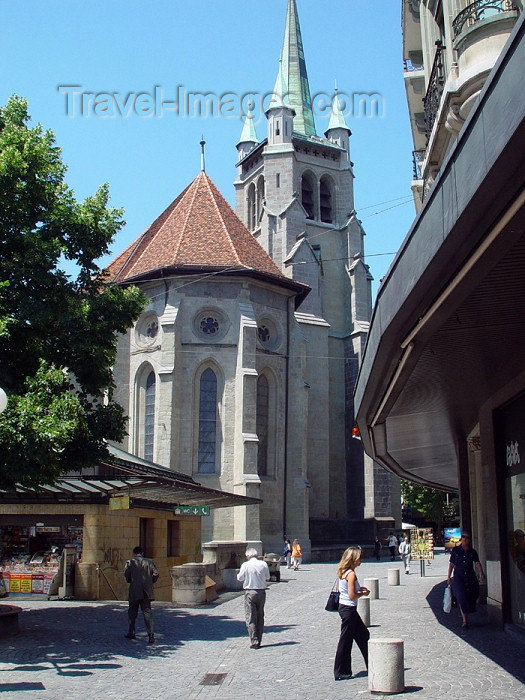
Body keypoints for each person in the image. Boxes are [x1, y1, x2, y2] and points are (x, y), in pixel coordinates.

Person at [333, 545, 370, 681]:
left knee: (363, 635)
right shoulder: (351, 574)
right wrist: (363, 593)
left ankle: (371, 664)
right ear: (353, 559)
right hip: (349, 609)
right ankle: (341, 671)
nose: (361, 560)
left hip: (345, 608)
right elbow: (352, 595)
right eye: (359, 558)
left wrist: (360, 589)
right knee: (346, 641)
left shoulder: (345, 572)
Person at [447, 532, 486, 629]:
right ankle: (465, 621)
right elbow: (451, 564)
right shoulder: (456, 550)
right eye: (463, 537)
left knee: (473, 594)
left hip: (470, 576)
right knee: (461, 597)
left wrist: (481, 572)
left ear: (469, 540)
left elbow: (477, 562)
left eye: (466, 537)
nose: (464, 539)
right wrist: (448, 577)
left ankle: (469, 611)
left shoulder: (472, 552)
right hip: (459, 577)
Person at [236, 547, 270, 648]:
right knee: (260, 616)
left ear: (248, 556)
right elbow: (267, 577)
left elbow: (240, 578)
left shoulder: (245, 565)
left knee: (250, 617)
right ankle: (259, 639)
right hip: (261, 592)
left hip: (250, 592)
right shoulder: (263, 564)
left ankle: (254, 640)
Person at [124, 546, 159, 643]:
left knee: (132, 612)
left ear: (134, 553)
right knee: (147, 612)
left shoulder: (130, 563)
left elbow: (127, 575)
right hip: (146, 591)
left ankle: (131, 632)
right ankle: (151, 634)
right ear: (142, 553)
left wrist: (130, 580)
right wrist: (150, 582)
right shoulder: (149, 562)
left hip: (134, 590)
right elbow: (156, 573)